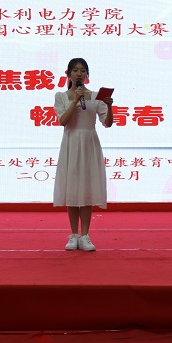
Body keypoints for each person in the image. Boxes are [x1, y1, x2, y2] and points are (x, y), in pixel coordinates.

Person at [53, 58, 113, 251]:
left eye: (83, 70)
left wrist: (109, 106)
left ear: (87, 74)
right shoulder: (61, 96)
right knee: (72, 190)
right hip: (71, 143)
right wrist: (75, 100)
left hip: (89, 144)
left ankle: (85, 235)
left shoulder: (96, 96)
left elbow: (107, 123)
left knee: (86, 189)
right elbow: (63, 121)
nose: (79, 74)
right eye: (75, 70)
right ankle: (74, 235)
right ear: (68, 73)